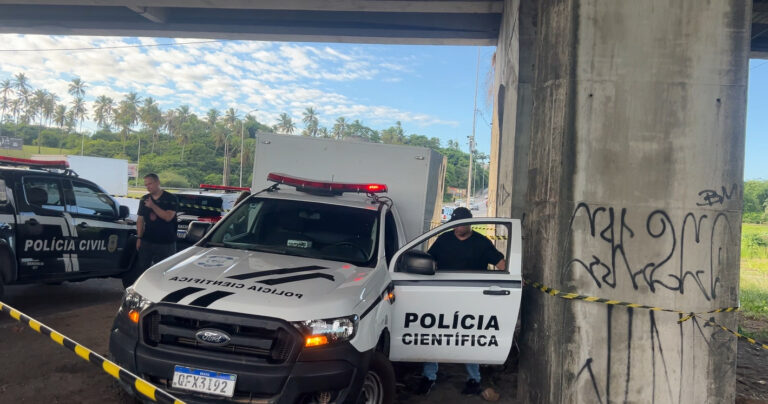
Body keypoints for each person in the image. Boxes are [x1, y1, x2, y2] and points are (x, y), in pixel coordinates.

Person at [416, 207, 506, 396]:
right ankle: (429, 376)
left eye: (462, 224)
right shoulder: (444, 240)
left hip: (472, 298)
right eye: (455, 224)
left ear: (470, 223)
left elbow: (500, 263)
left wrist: (514, 276)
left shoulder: (482, 243)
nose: (458, 228)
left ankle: (474, 379)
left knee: (470, 337)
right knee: (435, 334)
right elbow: (428, 261)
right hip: (443, 296)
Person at [134, 173, 179, 276]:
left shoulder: (171, 198)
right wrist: (139, 238)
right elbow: (140, 219)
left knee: (164, 271)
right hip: (147, 241)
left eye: (150, 184)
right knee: (142, 269)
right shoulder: (144, 199)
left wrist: (152, 205)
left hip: (166, 242)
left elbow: (168, 217)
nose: (148, 187)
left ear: (158, 182)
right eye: (146, 185)